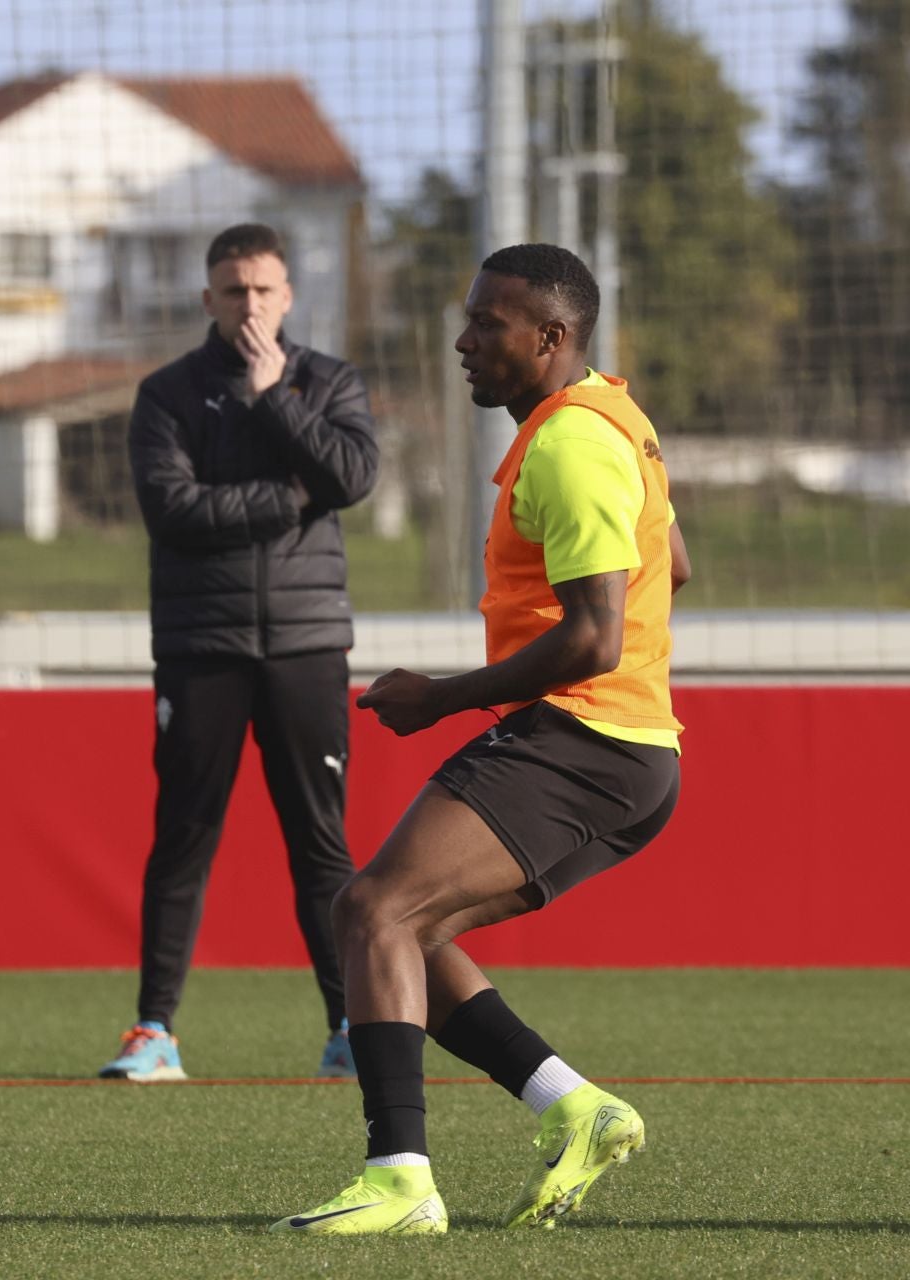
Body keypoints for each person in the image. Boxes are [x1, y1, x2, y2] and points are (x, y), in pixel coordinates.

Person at [271, 242, 691, 1236]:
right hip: (623, 745)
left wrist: (443, 696)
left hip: (586, 740)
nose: (463, 341)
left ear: (551, 338)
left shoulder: (572, 444)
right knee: (396, 925)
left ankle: (399, 1178)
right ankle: (577, 1107)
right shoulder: (609, 417)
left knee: (373, 907)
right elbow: (671, 560)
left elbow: (593, 634)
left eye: (487, 324)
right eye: (467, 317)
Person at [102, 223, 379, 1083]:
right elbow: (173, 510)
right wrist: (292, 498)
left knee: (320, 844)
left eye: (263, 290)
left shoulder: (327, 381)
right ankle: (154, 1034)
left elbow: (355, 478)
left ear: (288, 295)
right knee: (183, 835)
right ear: (207, 299)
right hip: (201, 644)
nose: (249, 304)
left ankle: (349, 1030)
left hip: (306, 643)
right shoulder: (168, 393)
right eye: (233, 290)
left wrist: (275, 401)